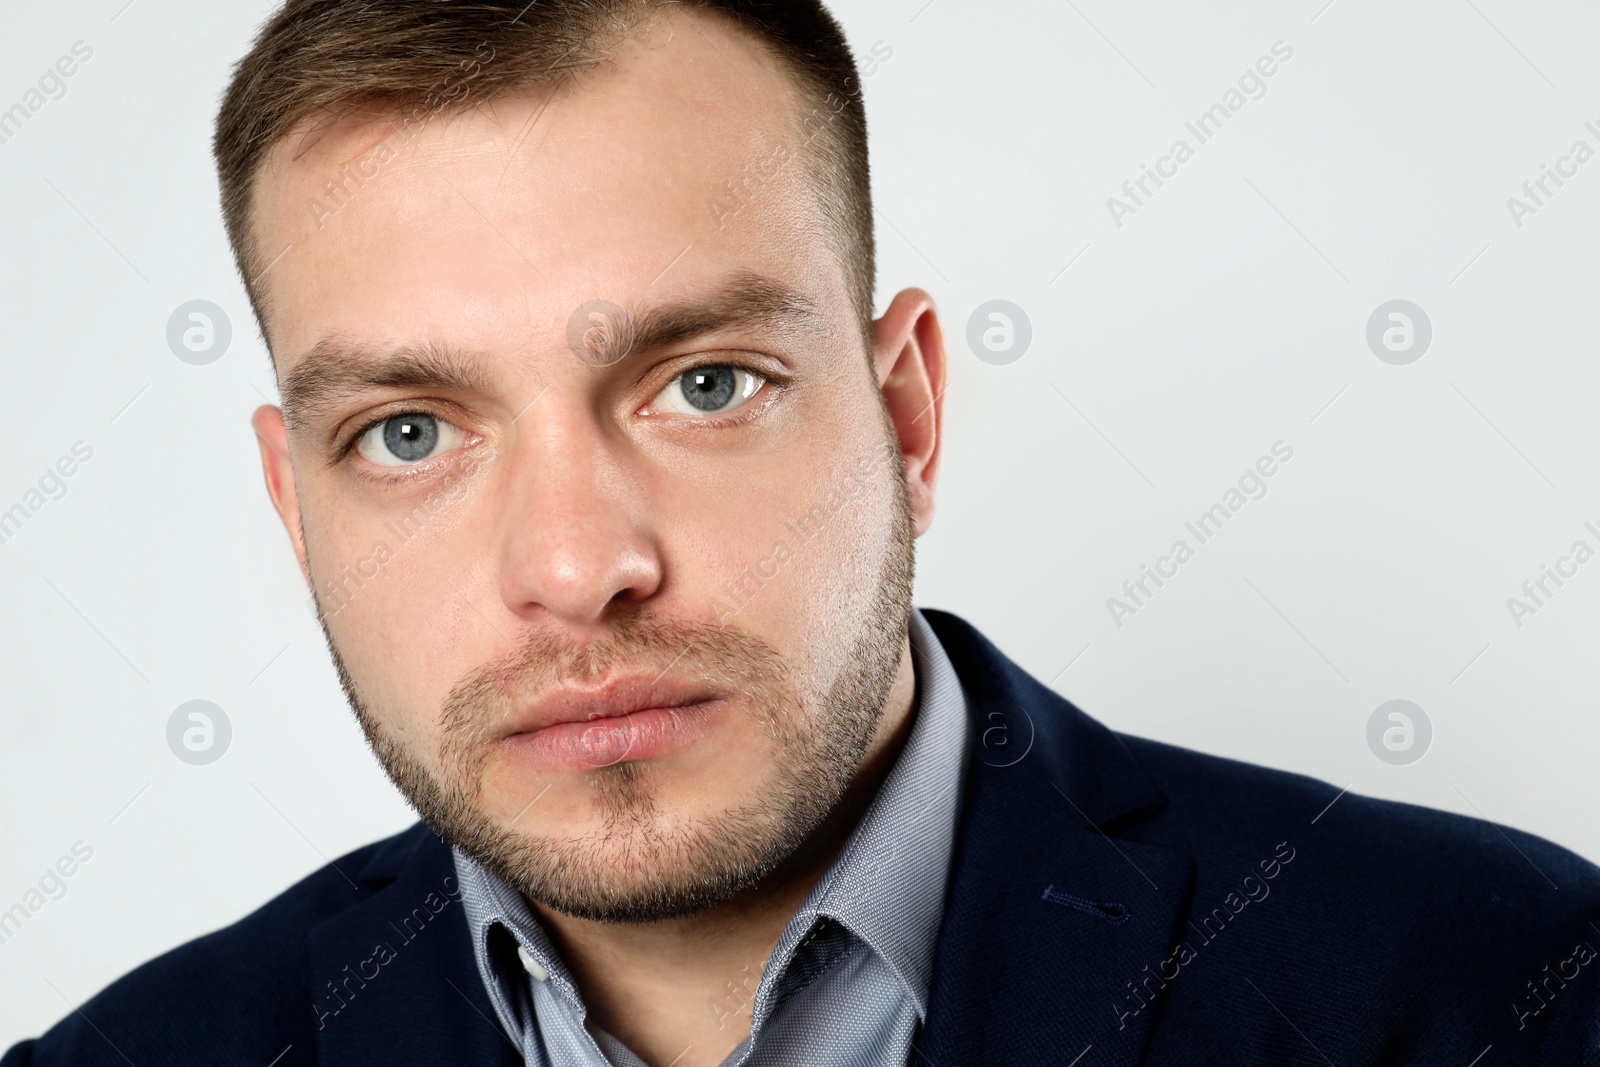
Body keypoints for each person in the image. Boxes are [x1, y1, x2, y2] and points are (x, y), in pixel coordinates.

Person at [7, 2, 1598, 1064]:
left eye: (703, 384)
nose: (575, 569)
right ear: (297, 512)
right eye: (408, 433)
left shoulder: (1504, 992)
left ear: (907, 414)